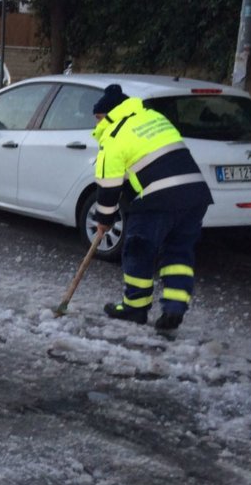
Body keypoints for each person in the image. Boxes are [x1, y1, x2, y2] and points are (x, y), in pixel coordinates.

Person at [91, 83, 213, 332]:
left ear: (109, 114)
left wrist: (104, 220)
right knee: (178, 252)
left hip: (159, 197)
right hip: (194, 194)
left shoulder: (114, 135)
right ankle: (174, 310)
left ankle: (135, 308)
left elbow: (108, 187)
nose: (96, 125)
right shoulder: (154, 118)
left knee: (138, 248)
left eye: (98, 118)